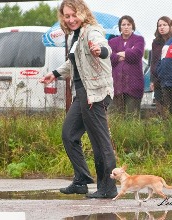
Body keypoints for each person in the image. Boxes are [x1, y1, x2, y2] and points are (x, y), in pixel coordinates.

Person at [38, 0, 117, 199]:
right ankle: (81, 180)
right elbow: (73, 61)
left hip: (96, 93)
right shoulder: (74, 36)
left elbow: (103, 46)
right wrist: (54, 73)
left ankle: (108, 187)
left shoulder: (91, 30)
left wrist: (101, 50)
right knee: (69, 134)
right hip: (81, 92)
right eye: (67, 16)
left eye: (74, 15)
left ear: (83, 13)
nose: (71, 19)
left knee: (100, 141)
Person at [108, 15, 145, 116]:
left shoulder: (139, 40)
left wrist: (118, 54)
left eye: (129, 24)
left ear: (132, 26)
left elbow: (136, 54)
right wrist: (128, 53)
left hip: (133, 85)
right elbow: (109, 58)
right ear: (120, 27)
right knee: (115, 116)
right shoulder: (112, 42)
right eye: (123, 24)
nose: (126, 27)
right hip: (116, 85)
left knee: (131, 118)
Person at [150, 16, 172, 116]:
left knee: (171, 109)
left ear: (169, 26)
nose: (162, 27)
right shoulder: (155, 42)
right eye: (159, 25)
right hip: (158, 80)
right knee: (160, 110)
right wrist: (152, 80)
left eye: (164, 25)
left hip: (171, 80)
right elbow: (153, 61)